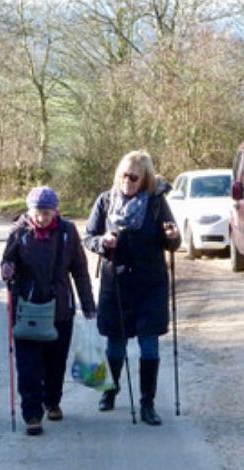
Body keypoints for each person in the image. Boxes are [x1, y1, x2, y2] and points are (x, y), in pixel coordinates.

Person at [84, 150, 181, 425]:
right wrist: (103, 242)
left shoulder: (155, 203)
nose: (127, 181)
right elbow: (89, 237)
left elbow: (171, 241)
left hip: (151, 285)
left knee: (149, 346)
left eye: (134, 177)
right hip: (116, 283)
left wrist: (173, 237)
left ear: (145, 178)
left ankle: (147, 404)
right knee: (115, 346)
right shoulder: (105, 201)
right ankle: (109, 390)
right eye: (124, 175)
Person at [1, 186, 96, 436]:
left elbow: (79, 270)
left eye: (47, 212)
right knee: (29, 365)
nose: (42, 218)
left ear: (56, 210)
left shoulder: (67, 232)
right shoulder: (19, 231)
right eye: (38, 212)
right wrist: (7, 269)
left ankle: (52, 401)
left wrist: (88, 304)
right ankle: (32, 414)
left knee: (55, 362)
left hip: (60, 309)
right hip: (27, 309)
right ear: (30, 211)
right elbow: (7, 261)